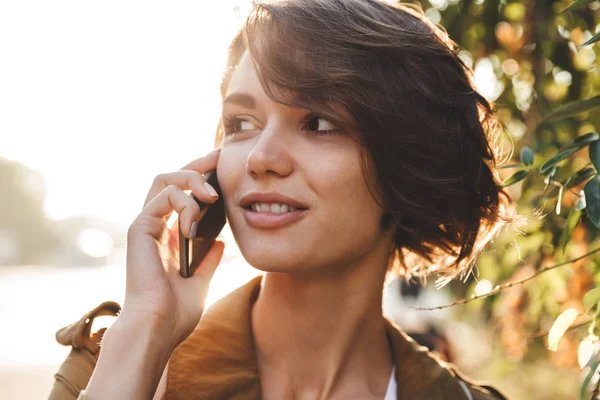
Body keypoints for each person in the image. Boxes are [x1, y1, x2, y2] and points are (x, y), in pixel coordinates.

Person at [49, 0, 522, 399]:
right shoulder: (108, 375)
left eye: (317, 122)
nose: (260, 157)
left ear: (410, 164)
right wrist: (143, 336)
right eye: (241, 123)